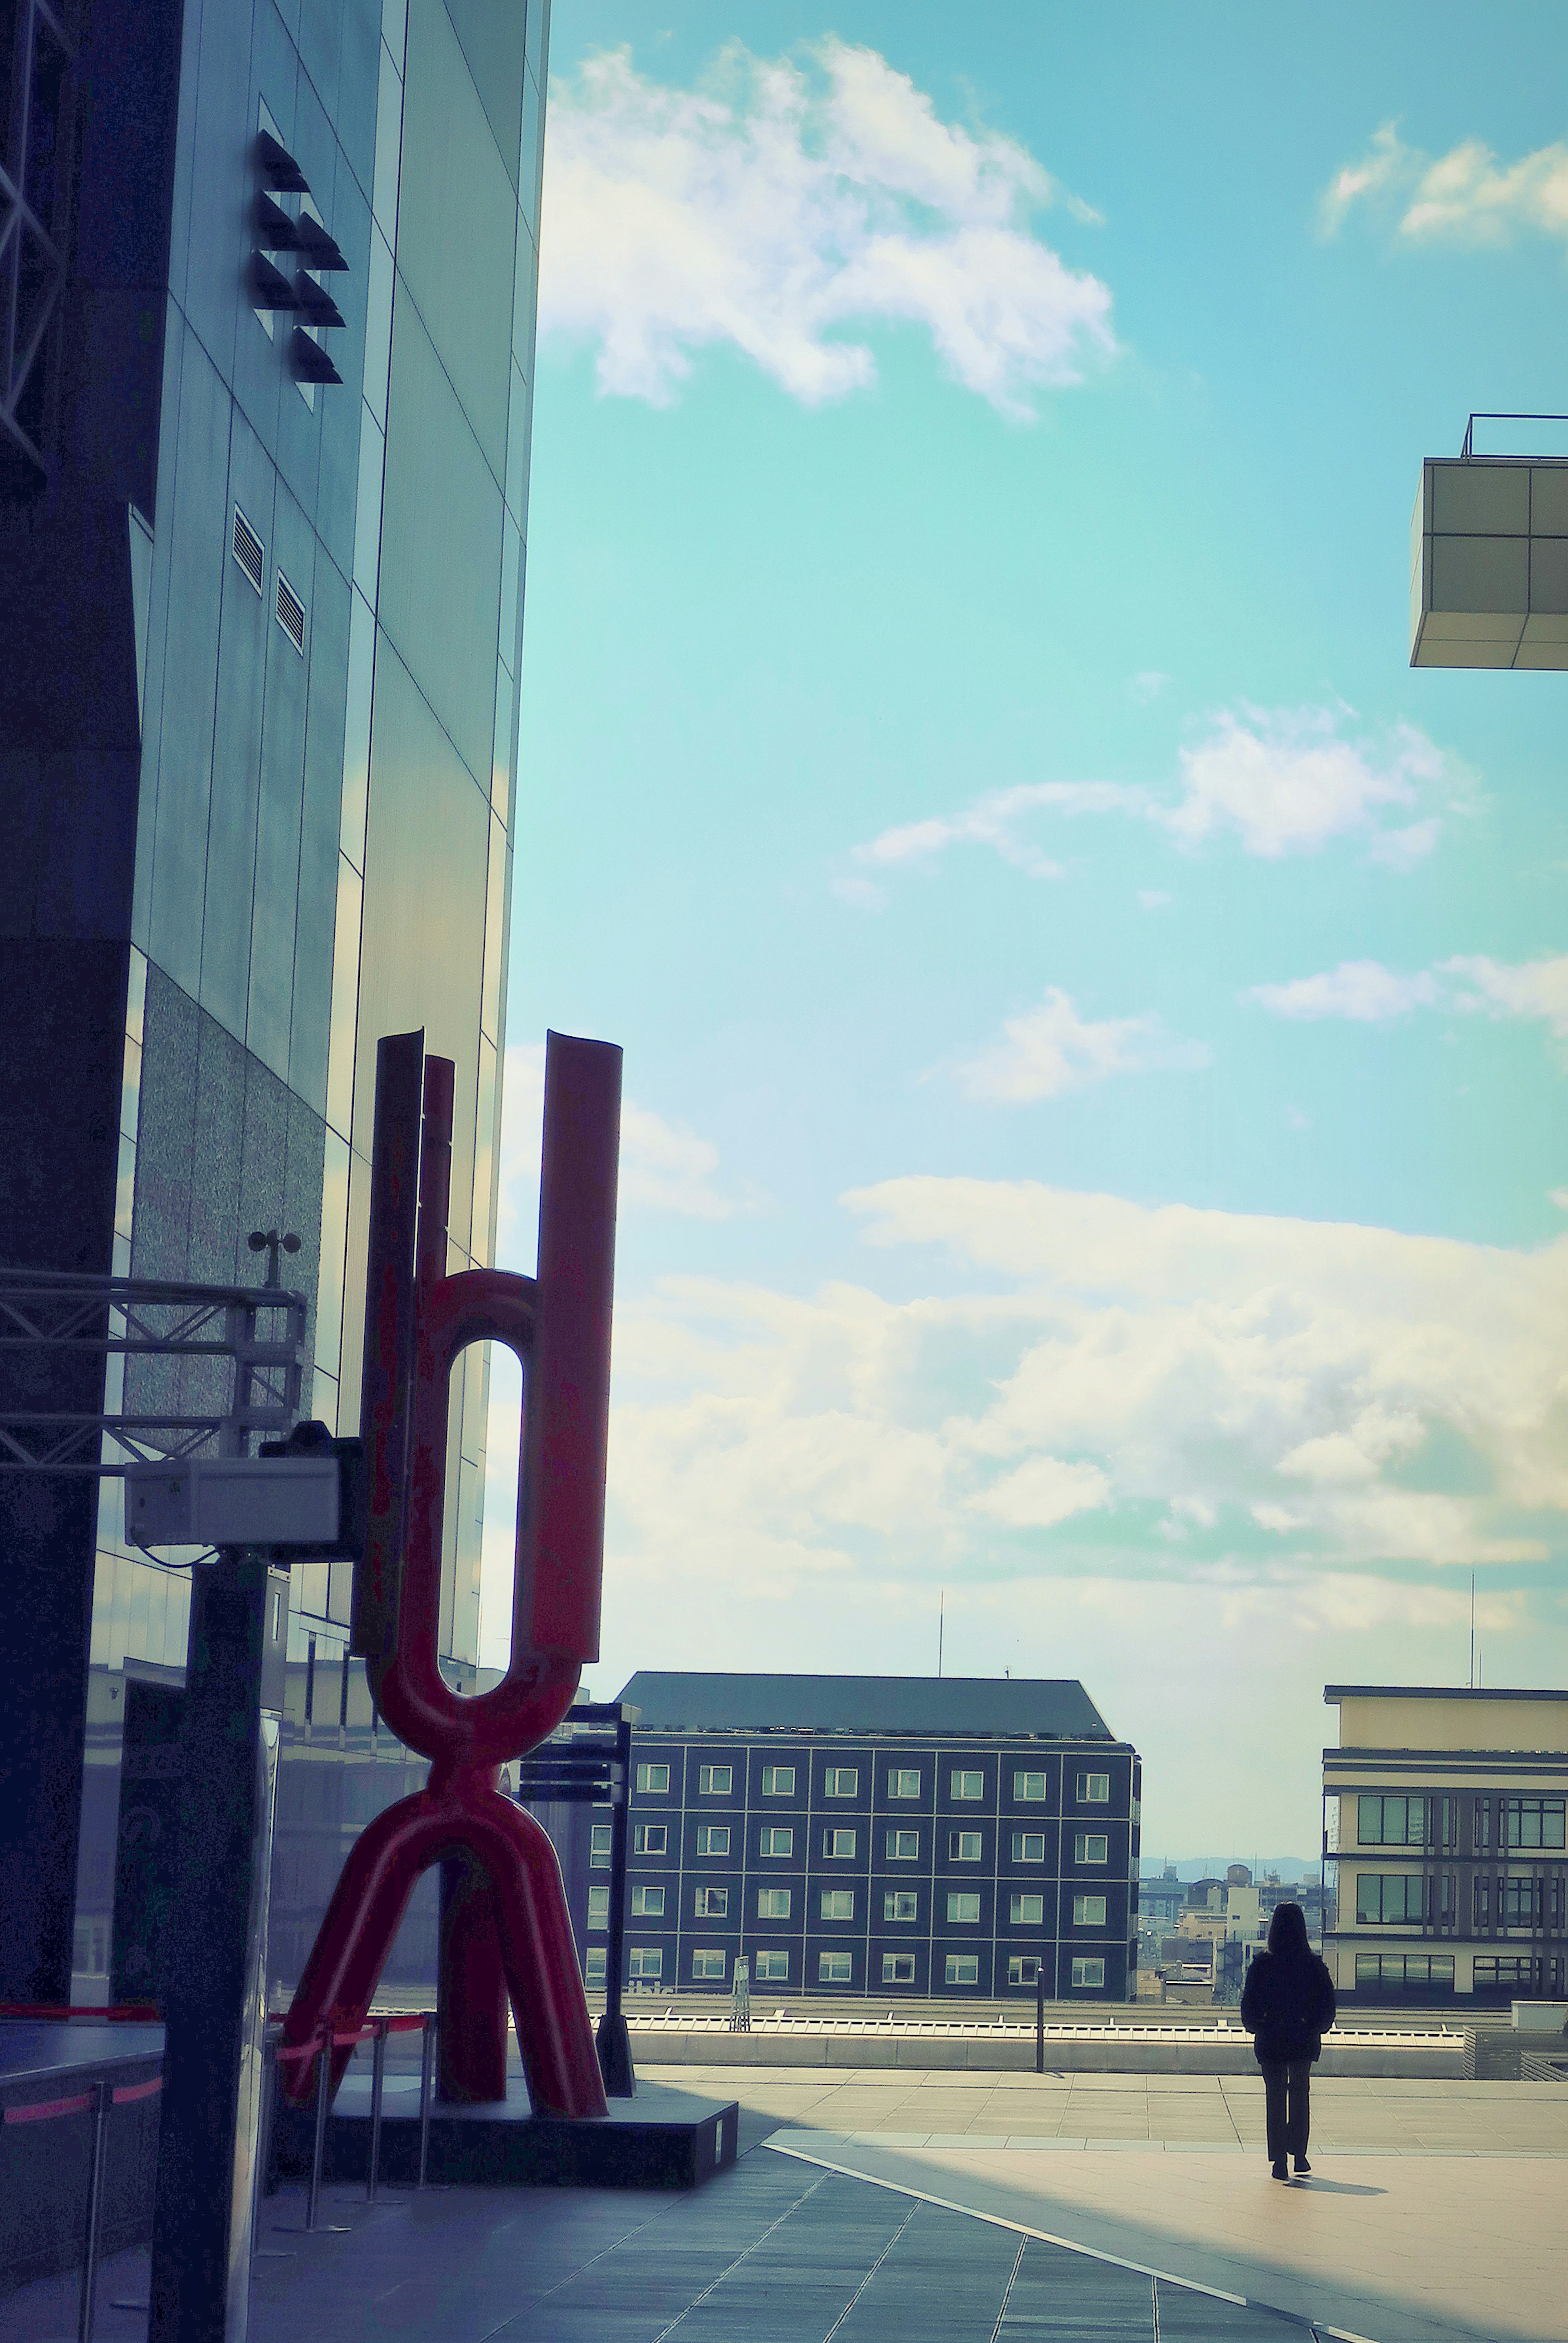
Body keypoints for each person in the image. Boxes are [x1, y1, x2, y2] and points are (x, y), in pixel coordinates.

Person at [1239, 1900, 1336, 2180]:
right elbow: (1327, 2004)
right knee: (1300, 2094)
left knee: (1275, 2096)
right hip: (1303, 2039)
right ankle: (1300, 2155)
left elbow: (1250, 2004)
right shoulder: (1313, 1965)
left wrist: (1259, 2024)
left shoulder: (1263, 1965)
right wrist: (1314, 2026)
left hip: (1271, 2038)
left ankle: (1279, 2160)